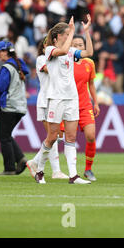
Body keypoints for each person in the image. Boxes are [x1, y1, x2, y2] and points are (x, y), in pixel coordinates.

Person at [32, 16, 93, 184]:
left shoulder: (71, 52)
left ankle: (73, 176)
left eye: (69, 34)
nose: (69, 37)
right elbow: (63, 51)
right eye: (66, 34)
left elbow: (89, 53)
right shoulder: (49, 50)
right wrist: (73, 31)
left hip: (72, 98)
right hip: (56, 98)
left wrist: (86, 32)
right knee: (52, 137)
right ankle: (40, 171)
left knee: (71, 137)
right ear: (57, 36)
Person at [26, 39, 68, 179]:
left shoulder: (56, 59)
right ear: (44, 46)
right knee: (53, 135)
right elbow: (52, 71)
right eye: (48, 43)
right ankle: (54, 171)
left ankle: (36, 162)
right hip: (45, 101)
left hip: (56, 99)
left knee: (55, 135)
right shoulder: (41, 59)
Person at [0, 41, 29, 175]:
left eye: (0, 51)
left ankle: (9, 168)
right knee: (7, 135)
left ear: (6, 52)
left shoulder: (7, 67)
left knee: (4, 137)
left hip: (9, 106)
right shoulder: (19, 65)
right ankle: (20, 159)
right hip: (20, 106)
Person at [71, 29, 100, 182]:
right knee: (62, 138)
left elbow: (91, 83)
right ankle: (63, 170)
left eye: (80, 44)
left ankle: (88, 169)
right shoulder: (66, 60)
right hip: (68, 105)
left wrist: (95, 102)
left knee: (90, 136)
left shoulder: (89, 62)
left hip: (84, 105)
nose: (78, 47)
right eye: (74, 44)